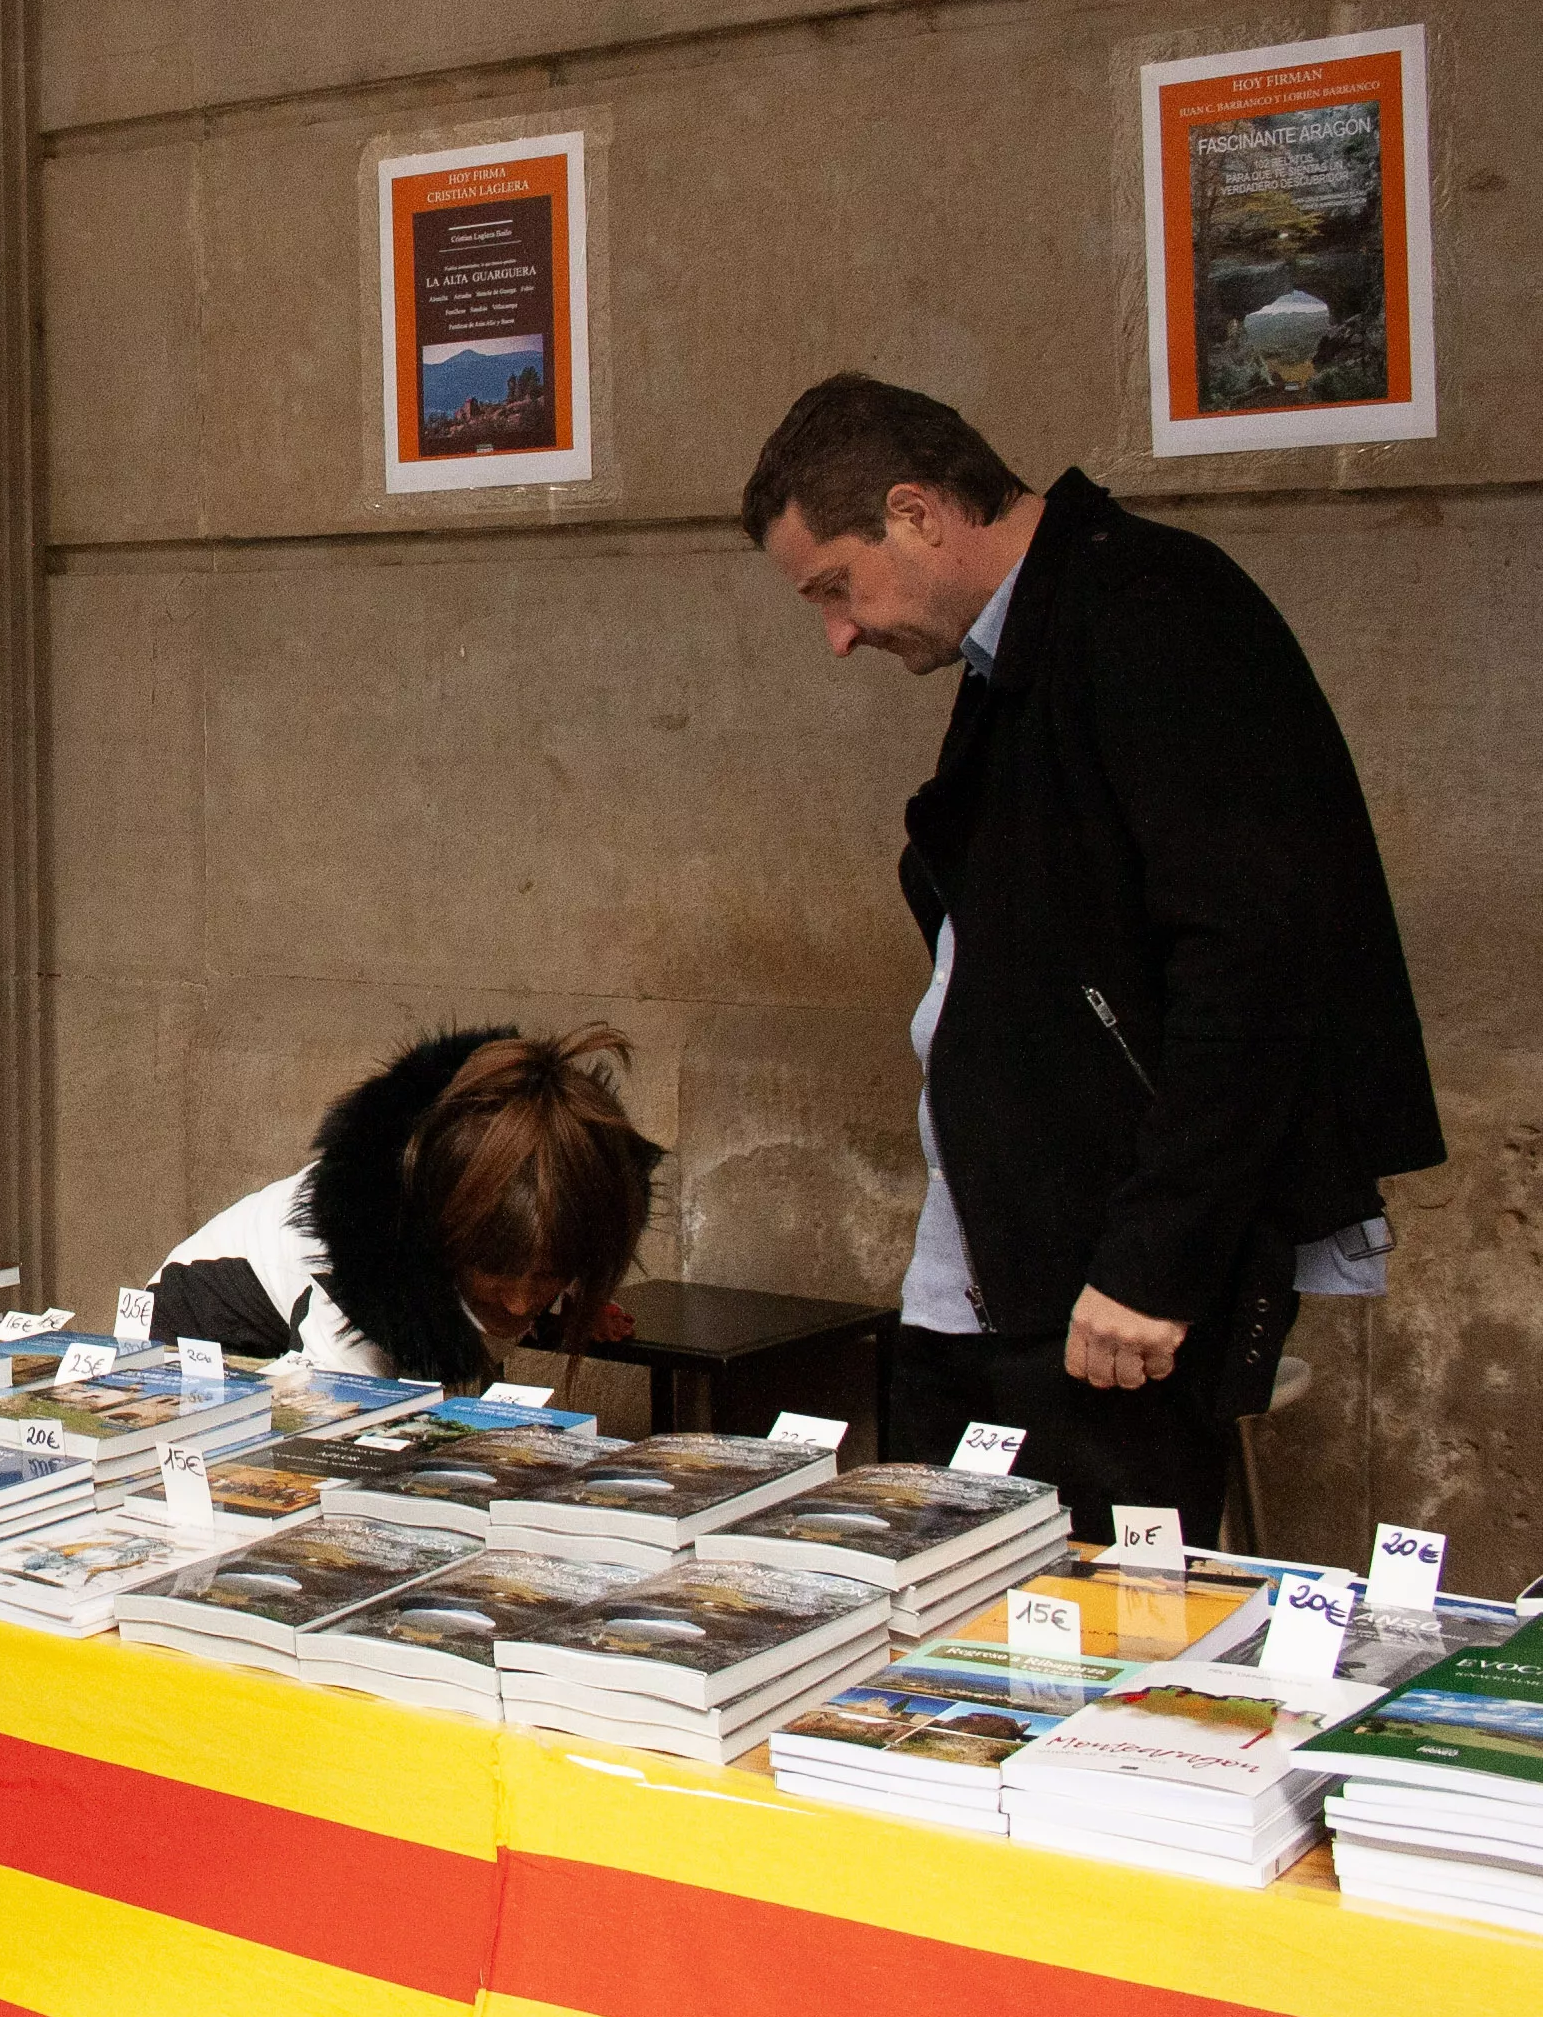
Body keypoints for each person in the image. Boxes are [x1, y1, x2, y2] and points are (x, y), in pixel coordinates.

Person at [740, 373, 1442, 1539]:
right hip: (1001, 1265)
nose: (839, 634)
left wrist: (1154, 1264)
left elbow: (1251, 964)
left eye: (835, 587)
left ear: (916, 513)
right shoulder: (1022, 645)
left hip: (1105, 1287)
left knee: (1091, 1639)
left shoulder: (1153, 610)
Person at [153, 1027, 663, 1391]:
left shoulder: (545, 1211)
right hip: (200, 1336)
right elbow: (339, 1446)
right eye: (496, 1272)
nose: (517, 1303)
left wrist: (572, 1295)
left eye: (548, 1273)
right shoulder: (354, 1281)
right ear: (444, 1235)